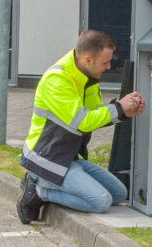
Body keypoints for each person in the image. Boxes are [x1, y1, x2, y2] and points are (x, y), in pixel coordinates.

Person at [16, 30, 145, 224]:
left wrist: (123, 113)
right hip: (46, 159)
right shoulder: (57, 80)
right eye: (105, 62)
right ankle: (39, 190)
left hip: (69, 158)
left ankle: (51, 187)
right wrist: (119, 107)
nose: (109, 67)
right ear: (87, 59)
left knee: (119, 193)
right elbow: (82, 121)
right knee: (101, 201)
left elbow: (94, 116)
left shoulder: (88, 78)